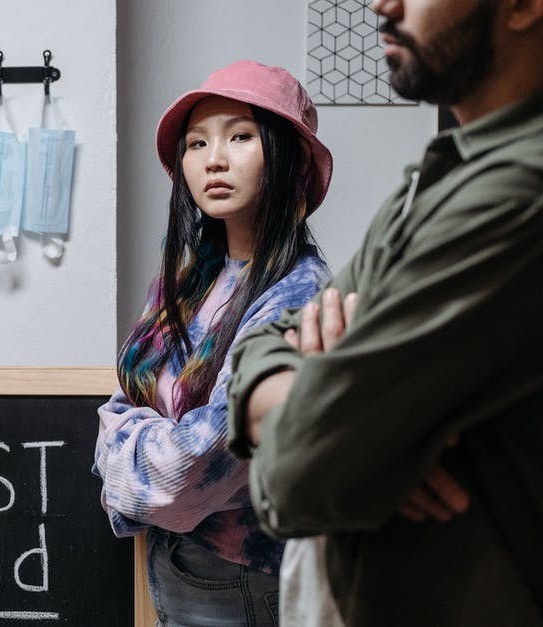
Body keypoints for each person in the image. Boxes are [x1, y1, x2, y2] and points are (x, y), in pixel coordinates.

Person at [226, 0, 543, 624]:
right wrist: (357, 433)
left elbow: (304, 471)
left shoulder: (516, 192)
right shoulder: (435, 177)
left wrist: (336, 437)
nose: (382, 3)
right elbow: (257, 345)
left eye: (241, 137)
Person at [92, 60, 334, 626]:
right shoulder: (189, 281)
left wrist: (123, 453)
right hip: (176, 568)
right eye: (197, 143)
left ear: (291, 160)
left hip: (244, 583)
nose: (213, 159)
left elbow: (184, 476)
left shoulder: (299, 298)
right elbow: (124, 403)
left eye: (241, 137)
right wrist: (146, 441)